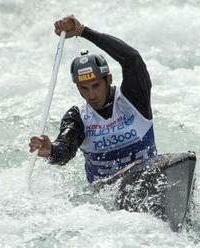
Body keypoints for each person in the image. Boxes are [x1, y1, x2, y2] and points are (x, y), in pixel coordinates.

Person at [29, 15, 158, 184]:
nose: (91, 95)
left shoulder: (134, 98)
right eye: (84, 88)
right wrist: (50, 151)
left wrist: (83, 31)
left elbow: (131, 58)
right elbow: (64, 150)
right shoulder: (77, 117)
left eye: (96, 86)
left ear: (109, 79)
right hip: (106, 202)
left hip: (149, 183)